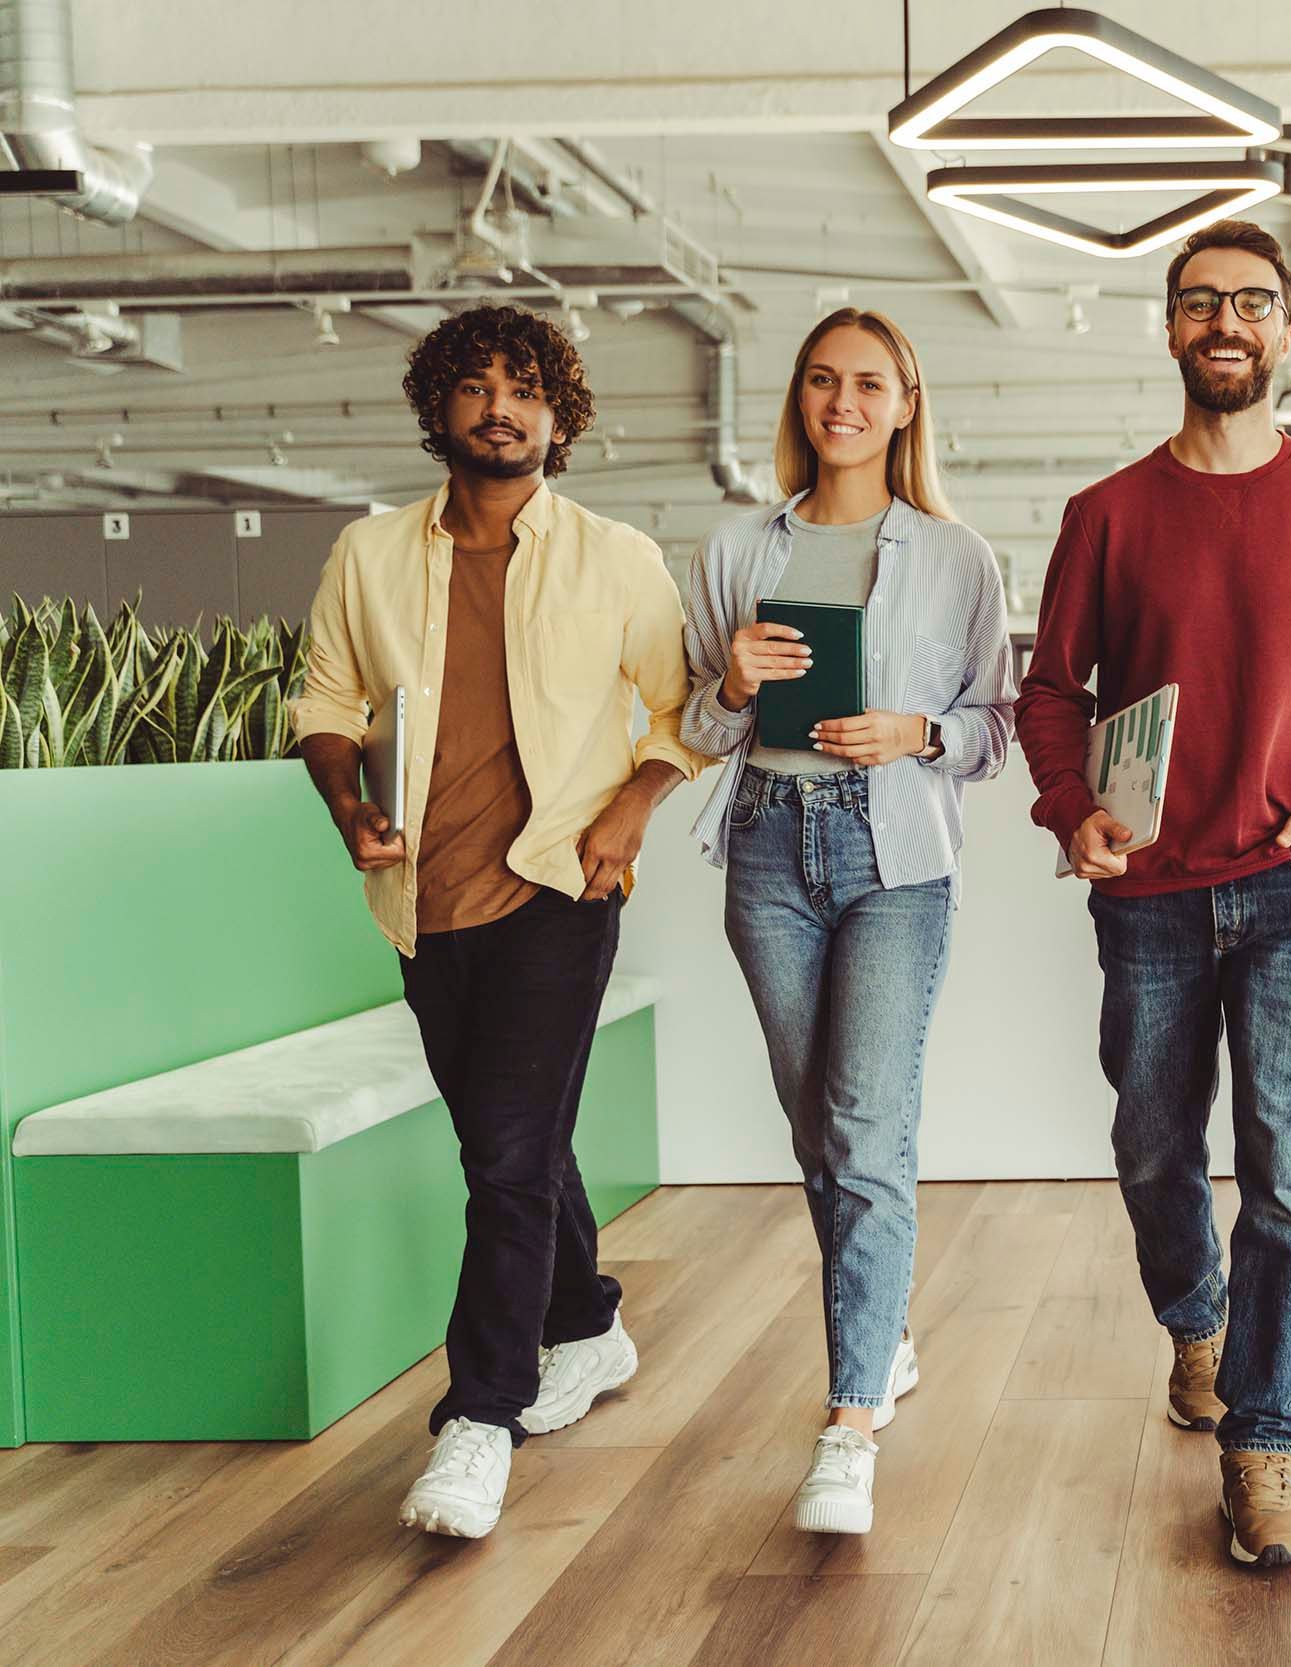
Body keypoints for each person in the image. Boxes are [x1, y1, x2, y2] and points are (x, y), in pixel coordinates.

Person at [1015, 220, 1291, 1567]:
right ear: (1171, 328)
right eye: (1199, 302)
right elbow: (1050, 686)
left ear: (1288, 326)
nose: (1225, 321)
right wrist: (1074, 811)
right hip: (1152, 900)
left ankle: (1265, 1443)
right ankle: (1197, 1314)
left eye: (1250, 300)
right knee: (1153, 1145)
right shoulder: (1108, 514)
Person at [293, 303, 706, 1537]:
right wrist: (346, 802)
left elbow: (681, 714)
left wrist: (633, 807)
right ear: (439, 411)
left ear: (558, 414)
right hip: (425, 898)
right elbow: (323, 694)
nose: (499, 406)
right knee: (512, 1148)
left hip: (558, 889)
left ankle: (479, 1416)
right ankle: (587, 1321)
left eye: (524, 387)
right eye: (473, 386)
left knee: (509, 1160)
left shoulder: (615, 556)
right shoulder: (367, 555)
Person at [679, 307, 1015, 1537]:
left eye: (870, 381)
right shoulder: (732, 550)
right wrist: (731, 683)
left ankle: (850, 1416)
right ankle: (886, 1330)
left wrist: (915, 732)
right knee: (818, 1124)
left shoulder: (958, 556)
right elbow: (698, 729)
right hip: (765, 844)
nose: (844, 401)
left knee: (866, 1122)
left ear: (906, 401)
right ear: (800, 399)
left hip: (895, 855)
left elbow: (993, 725)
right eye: (823, 379)